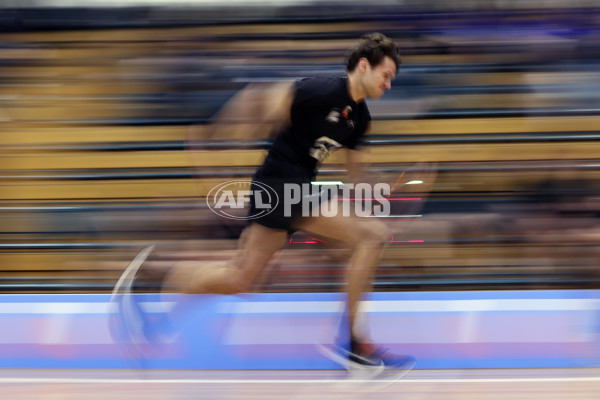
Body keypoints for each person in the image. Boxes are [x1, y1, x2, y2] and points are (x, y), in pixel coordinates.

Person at [114, 32, 422, 373]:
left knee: (239, 279)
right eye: (386, 75)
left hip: (293, 189)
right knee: (371, 236)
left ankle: (150, 283)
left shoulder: (360, 119)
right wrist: (219, 139)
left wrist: (392, 187)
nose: (389, 84)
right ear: (364, 66)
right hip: (279, 184)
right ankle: (354, 346)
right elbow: (257, 97)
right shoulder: (320, 90)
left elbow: (356, 177)